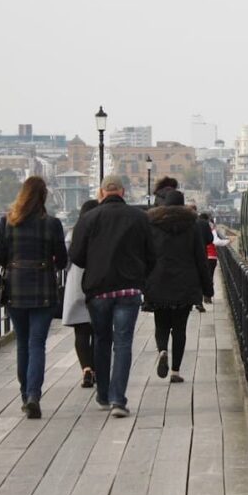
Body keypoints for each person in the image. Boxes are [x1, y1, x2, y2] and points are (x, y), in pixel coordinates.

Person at [69, 175, 155, 417]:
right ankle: (119, 399)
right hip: (129, 289)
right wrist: (140, 275)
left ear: (101, 192)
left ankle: (103, 395)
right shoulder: (140, 218)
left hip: (99, 290)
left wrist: (95, 263)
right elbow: (152, 253)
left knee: (102, 340)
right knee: (124, 343)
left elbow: (75, 255)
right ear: (123, 192)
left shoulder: (89, 218)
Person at [0, 176, 67, 419]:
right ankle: (34, 394)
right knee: (37, 344)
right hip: (44, 288)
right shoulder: (52, 224)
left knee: (22, 343)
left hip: (15, 288)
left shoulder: (8, 222)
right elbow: (62, 260)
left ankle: (25, 394)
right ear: (43, 196)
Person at [145, 190, 213, 382]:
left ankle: (163, 351)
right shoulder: (191, 227)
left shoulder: (153, 226)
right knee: (180, 329)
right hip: (185, 283)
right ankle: (175, 371)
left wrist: (145, 283)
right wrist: (207, 289)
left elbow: (146, 256)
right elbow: (201, 260)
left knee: (161, 323)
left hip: (158, 282)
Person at [62, 199, 99, 388]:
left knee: (81, 330)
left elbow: (64, 261)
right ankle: (98, 368)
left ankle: (86, 369)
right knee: (99, 330)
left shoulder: (72, 234)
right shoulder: (102, 233)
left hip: (76, 285)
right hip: (99, 284)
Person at [199, 212, 229, 298]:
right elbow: (215, 241)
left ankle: (201, 297)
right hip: (211, 256)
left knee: (202, 277)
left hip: (203, 257)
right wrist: (227, 241)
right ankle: (207, 295)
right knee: (210, 276)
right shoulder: (211, 230)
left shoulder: (196, 229)